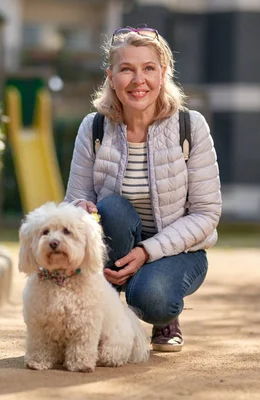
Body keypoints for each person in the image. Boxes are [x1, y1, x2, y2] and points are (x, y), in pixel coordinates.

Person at [63, 26, 222, 352]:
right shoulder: (93, 127)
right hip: (116, 246)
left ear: (164, 73)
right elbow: (74, 199)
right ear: (111, 76)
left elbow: (207, 214)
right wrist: (81, 208)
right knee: (112, 209)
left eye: (149, 68)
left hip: (179, 252)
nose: (139, 80)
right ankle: (106, 318)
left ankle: (163, 319)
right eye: (127, 69)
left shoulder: (190, 127)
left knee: (153, 299)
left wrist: (147, 252)